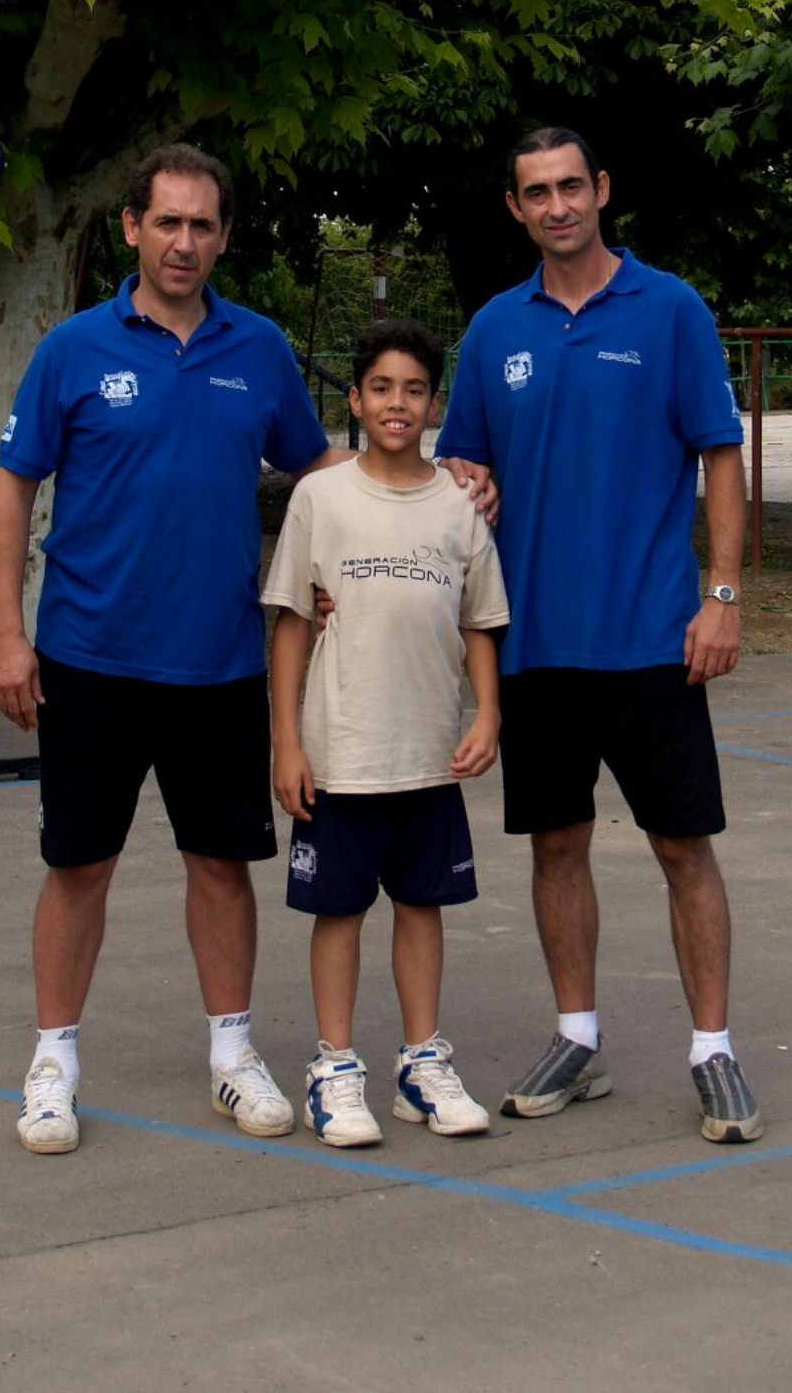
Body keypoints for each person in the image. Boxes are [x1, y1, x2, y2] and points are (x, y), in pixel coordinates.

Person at [0, 142, 343, 1155]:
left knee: (222, 866)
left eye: (202, 224)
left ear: (223, 237)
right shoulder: (73, 350)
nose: (184, 241)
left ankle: (233, 1052)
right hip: (89, 658)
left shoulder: (259, 349)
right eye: (167, 222)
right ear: (132, 227)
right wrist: (7, 634)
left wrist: (427, 484)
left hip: (221, 662)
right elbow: (11, 491)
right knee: (79, 865)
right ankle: (54, 1063)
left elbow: (321, 470)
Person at [436, 126, 763, 1144]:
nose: (558, 205)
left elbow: (720, 455)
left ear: (602, 189)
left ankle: (713, 1050)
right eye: (537, 191)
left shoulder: (671, 309)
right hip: (536, 644)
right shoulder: (494, 328)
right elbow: (462, 465)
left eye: (571, 185)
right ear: (515, 207)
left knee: (684, 848)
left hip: (654, 638)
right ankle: (577, 1038)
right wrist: (470, 482)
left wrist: (722, 593)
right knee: (557, 843)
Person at [264, 318, 509, 1148]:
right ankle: (334, 1068)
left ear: (434, 403)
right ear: (356, 400)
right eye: (380, 388)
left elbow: (480, 621)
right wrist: (287, 743)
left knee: (422, 905)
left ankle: (421, 1063)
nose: (397, 404)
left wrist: (488, 714)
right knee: (337, 912)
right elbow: (291, 622)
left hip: (427, 755)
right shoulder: (320, 499)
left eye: (413, 390)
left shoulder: (459, 505)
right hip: (341, 755)